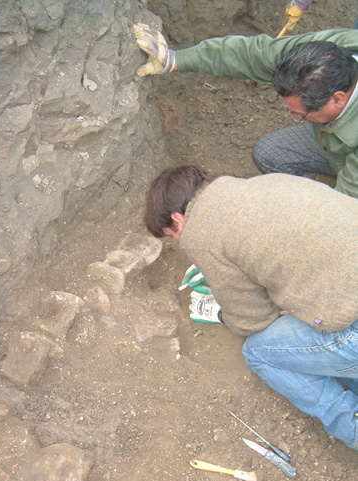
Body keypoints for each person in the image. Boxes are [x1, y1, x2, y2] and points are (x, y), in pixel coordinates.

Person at [145, 165, 358, 451]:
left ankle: (350, 423)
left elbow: (254, 322)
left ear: (178, 219)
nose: (179, 241)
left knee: (258, 352)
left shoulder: (199, 233)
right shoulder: (258, 185)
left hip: (352, 322)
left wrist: (223, 311)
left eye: (172, 235)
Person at [133, 24, 358, 198]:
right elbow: (253, 54)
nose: (294, 117)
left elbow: (340, 211)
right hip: (339, 141)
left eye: (300, 115)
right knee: (271, 153)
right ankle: (329, 180)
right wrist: (174, 60)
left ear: (337, 99)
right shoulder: (322, 55)